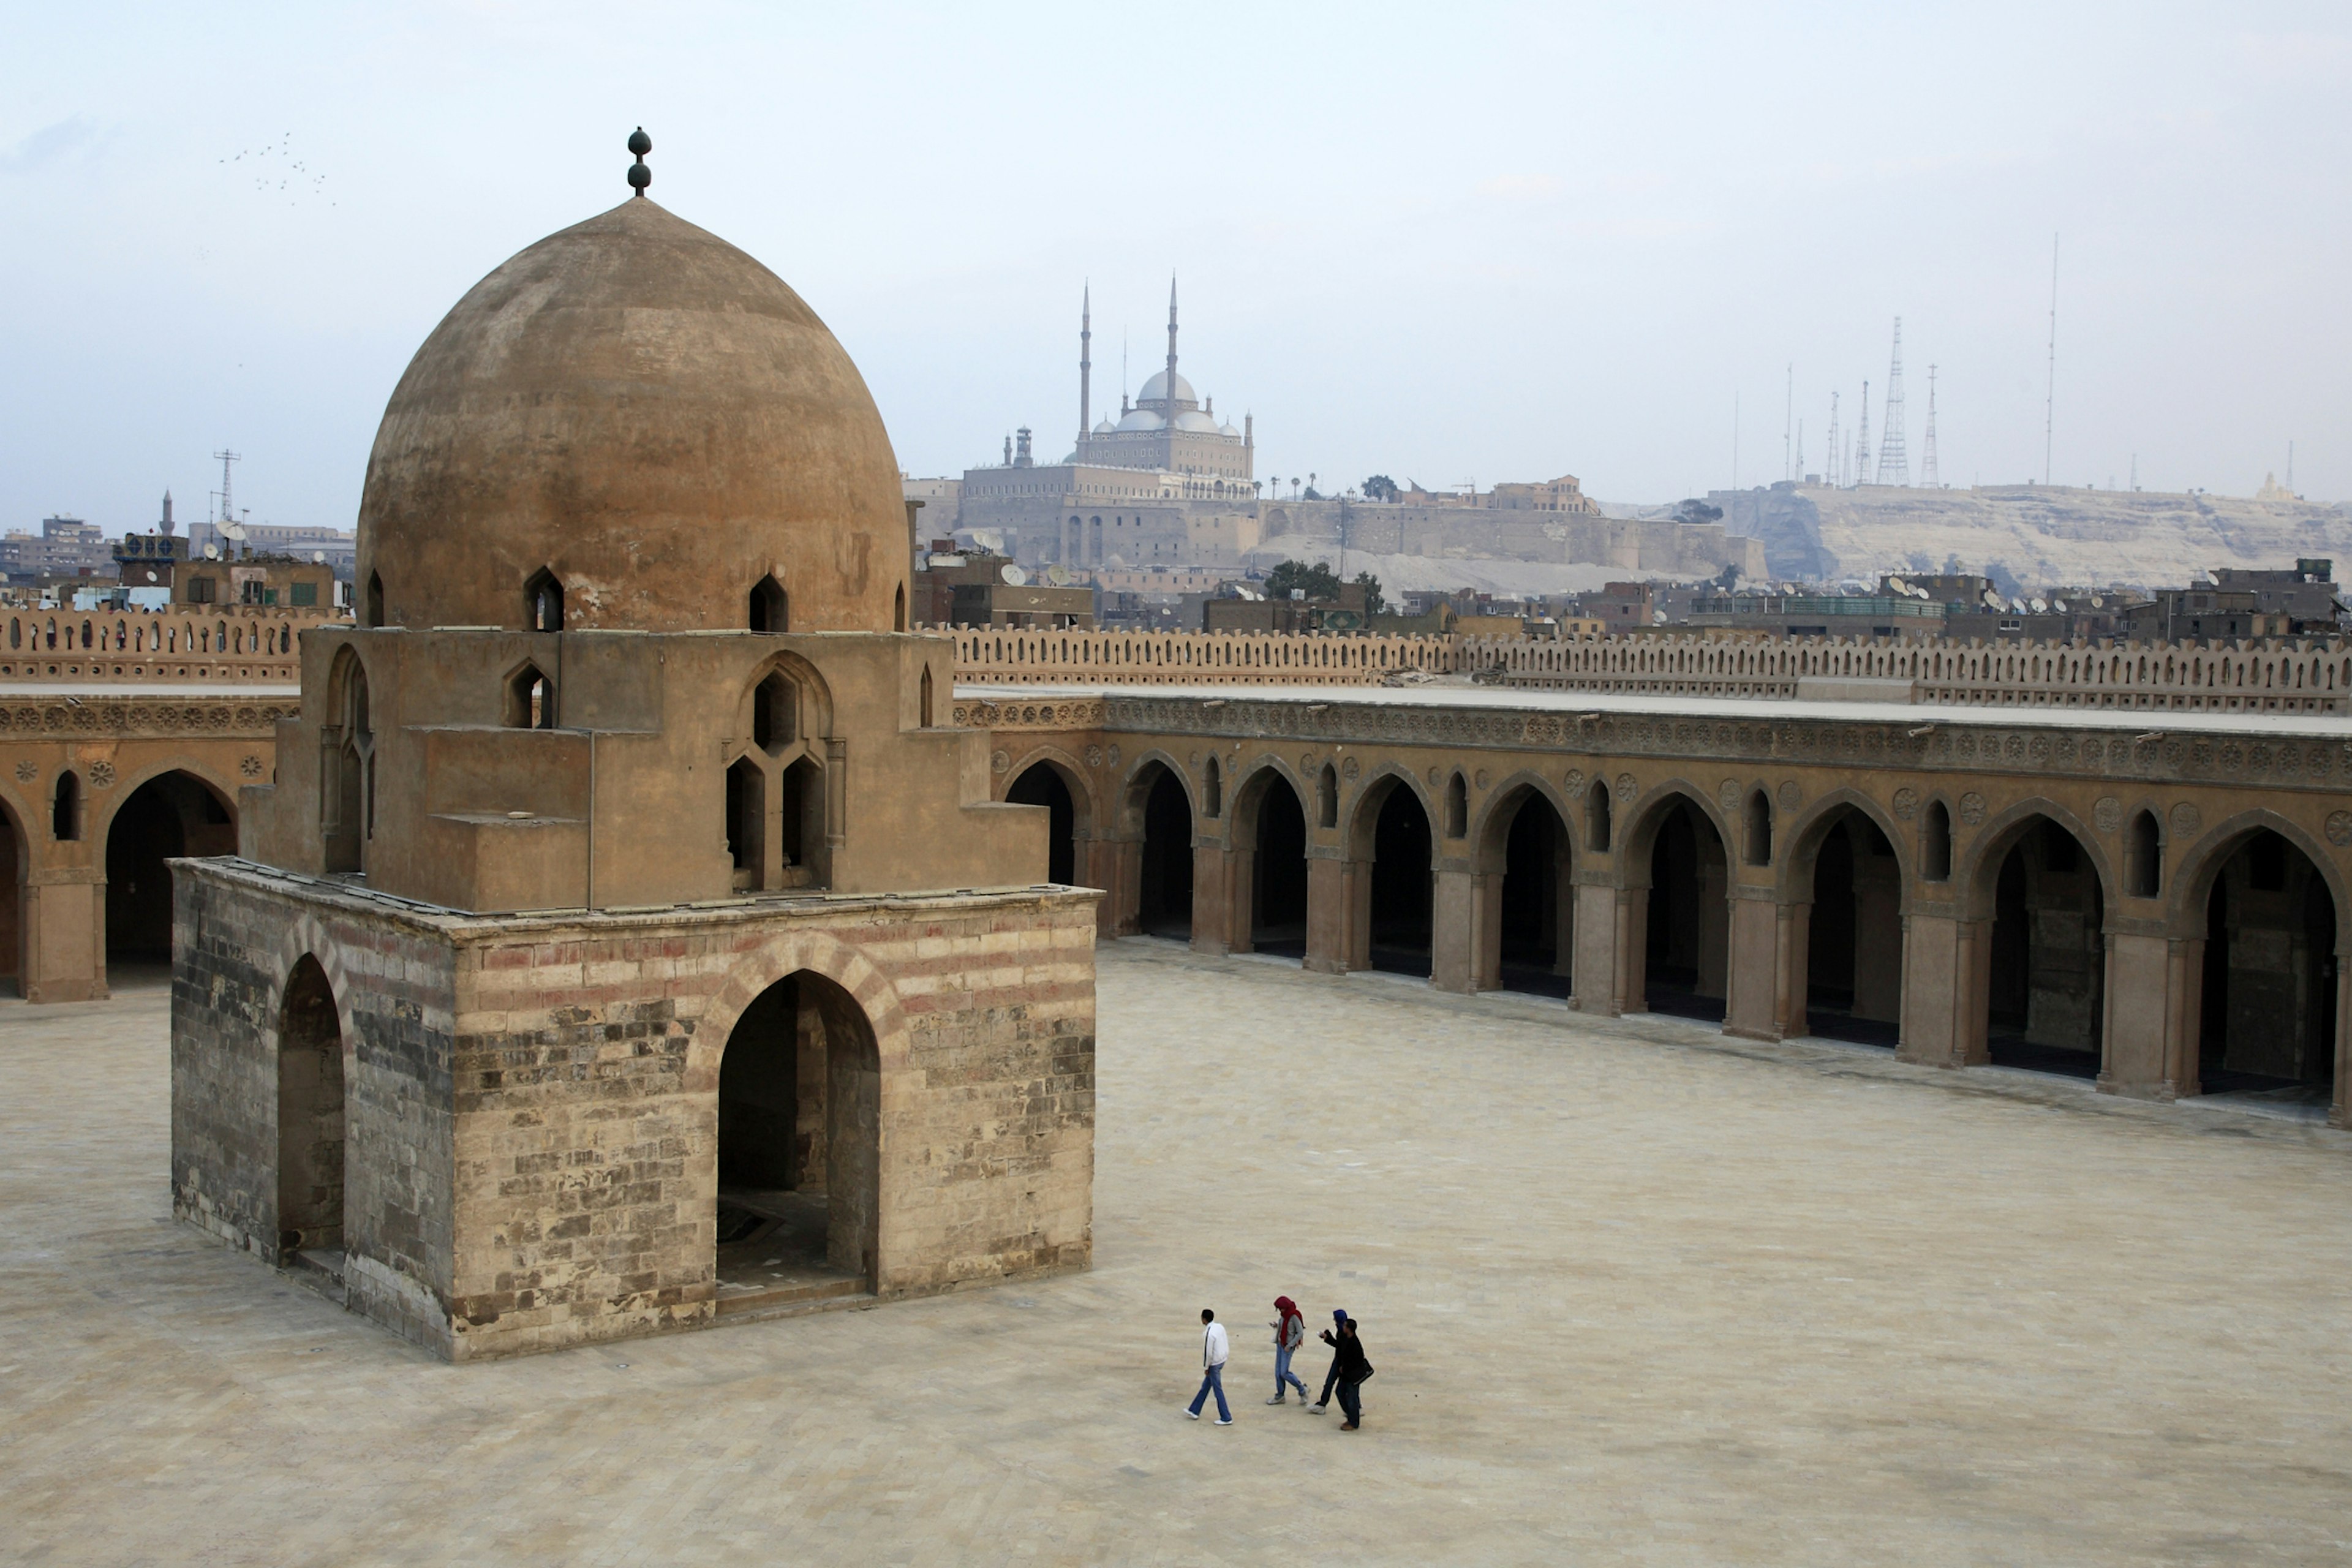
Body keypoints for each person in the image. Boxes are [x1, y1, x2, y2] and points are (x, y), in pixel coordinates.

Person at [1186, 1308, 1232, 1425]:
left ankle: (1226, 1417)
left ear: (1204, 1320)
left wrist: (1206, 1367)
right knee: (1206, 1386)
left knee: (1217, 1390)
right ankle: (1194, 1410)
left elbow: (1208, 1353)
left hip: (1215, 1363)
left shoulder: (1209, 1333)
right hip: (1222, 1359)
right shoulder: (1220, 1327)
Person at [1329, 1314, 1373, 1429]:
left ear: (1349, 1329)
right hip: (1345, 1375)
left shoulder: (1355, 1344)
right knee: (1340, 1393)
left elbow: (1357, 1361)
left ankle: (1354, 1422)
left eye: (1345, 1326)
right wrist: (1327, 1338)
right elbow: (1339, 1346)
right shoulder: (1345, 1338)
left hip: (1352, 1376)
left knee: (1352, 1398)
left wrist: (1345, 1367)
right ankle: (1351, 1416)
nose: (1343, 1327)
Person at [1266, 1296, 1308, 1404]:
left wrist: (1290, 1345)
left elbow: (1300, 1333)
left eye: (1281, 1309)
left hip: (1287, 1347)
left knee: (1284, 1372)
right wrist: (1277, 1325)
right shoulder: (1284, 1315)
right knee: (1278, 1373)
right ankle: (1280, 1395)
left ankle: (1302, 1390)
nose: (1280, 1311)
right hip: (1280, 1345)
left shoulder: (1294, 1316)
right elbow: (1284, 1326)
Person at [1311, 1308, 1348, 1412]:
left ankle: (1354, 1408)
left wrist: (1328, 1338)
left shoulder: (1345, 1331)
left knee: (1345, 1387)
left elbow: (1340, 1347)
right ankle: (1323, 1403)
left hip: (1344, 1362)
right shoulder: (1342, 1329)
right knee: (1329, 1383)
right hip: (1339, 1359)